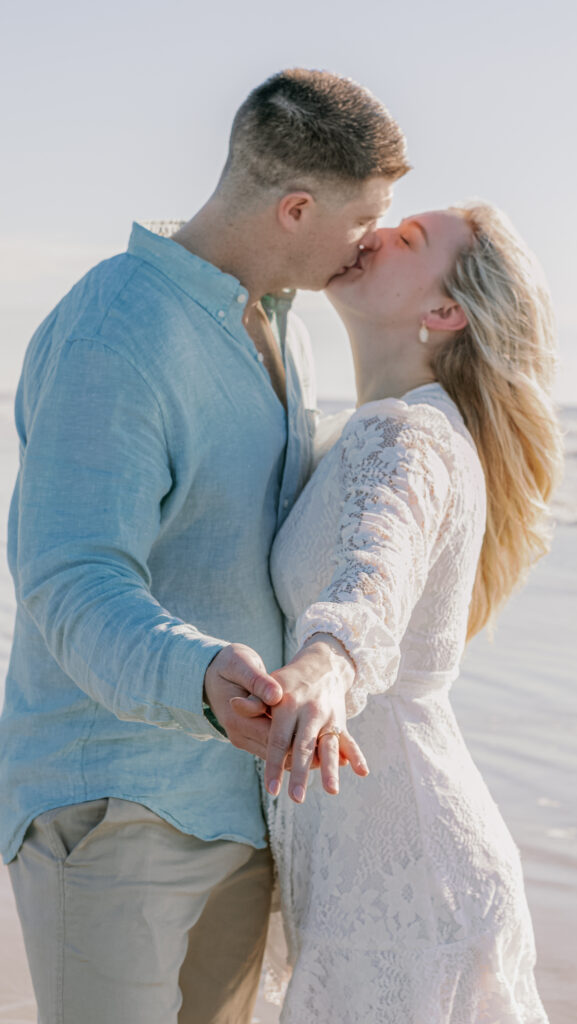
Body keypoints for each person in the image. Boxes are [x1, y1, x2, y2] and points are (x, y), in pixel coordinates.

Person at [0, 68, 409, 1024]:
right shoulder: (117, 328)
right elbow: (69, 573)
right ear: (297, 207)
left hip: (247, 803)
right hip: (117, 803)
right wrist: (193, 676)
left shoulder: (280, 325)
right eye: (366, 220)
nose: (374, 243)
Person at [236, 201, 564, 1021]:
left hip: (410, 881)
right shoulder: (375, 430)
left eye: (408, 239)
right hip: (375, 861)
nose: (374, 233)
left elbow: (370, 579)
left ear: (443, 312)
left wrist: (327, 659)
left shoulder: (404, 438)